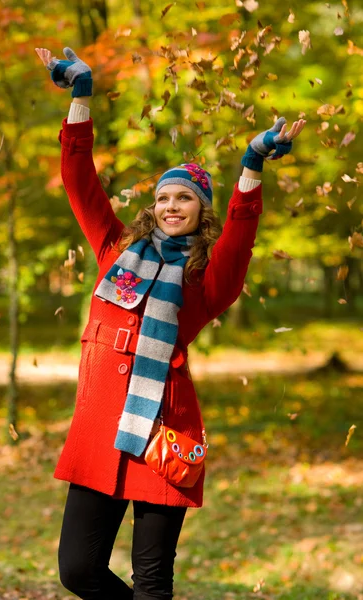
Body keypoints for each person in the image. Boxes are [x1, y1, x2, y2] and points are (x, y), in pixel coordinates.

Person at [35, 46, 306, 600]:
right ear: (151, 207)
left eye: (184, 197)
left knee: (153, 582)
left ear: (201, 210)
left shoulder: (207, 280)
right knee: (78, 571)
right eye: (162, 197)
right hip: (99, 431)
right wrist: (81, 96)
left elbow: (241, 234)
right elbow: (77, 178)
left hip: (162, 433)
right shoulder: (116, 249)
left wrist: (251, 166)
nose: (170, 205)